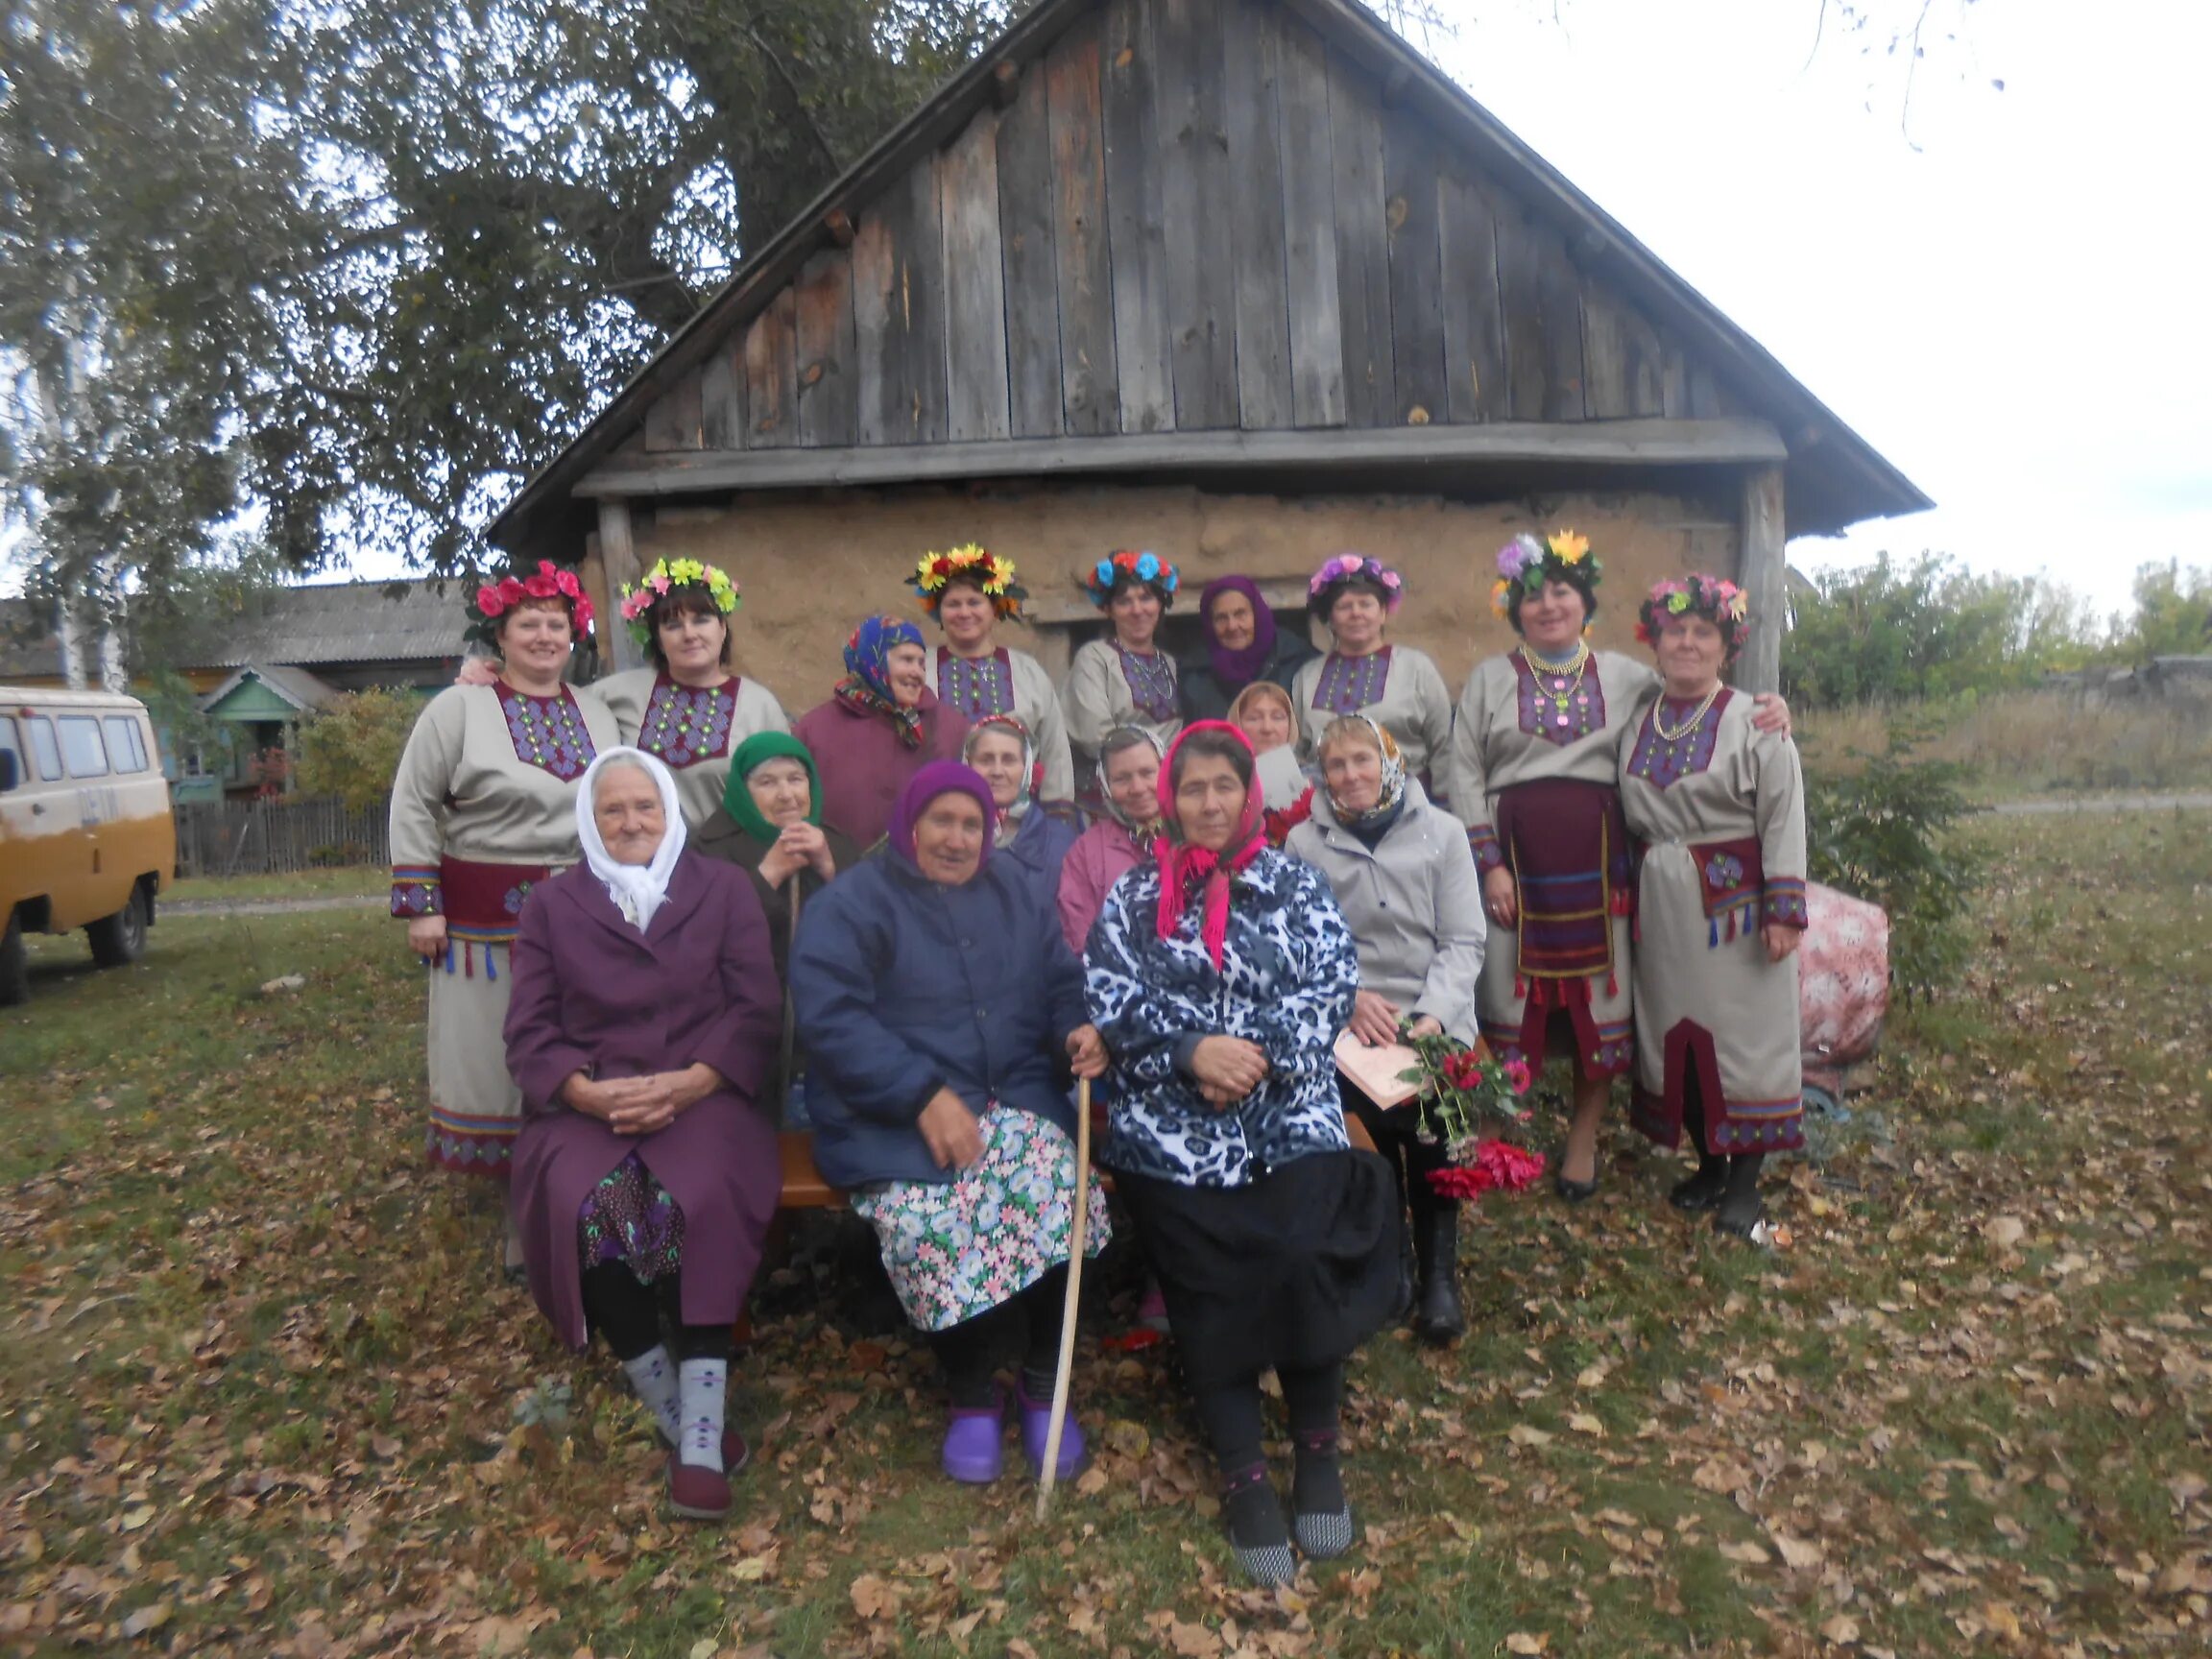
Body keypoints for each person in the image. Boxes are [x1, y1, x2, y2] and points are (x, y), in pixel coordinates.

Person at [1085, 721, 1398, 1586]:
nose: (1210, 803)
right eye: (1193, 789)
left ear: (1249, 793)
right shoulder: (1135, 897)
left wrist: (1247, 1055)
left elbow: (1329, 982)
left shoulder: (1295, 885)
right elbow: (1111, 995)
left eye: (1225, 785)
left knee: (1300, 1253)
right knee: (1207, 1279)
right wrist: (1191, 1054)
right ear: (1170, 802)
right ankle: (1244, 1473)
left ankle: (1317, 1451)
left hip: (1286, 1110)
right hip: (1171, 1123)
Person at [788, 762, 1112, 1485]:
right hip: (894, 1111)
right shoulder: (852, 904)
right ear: (909, 824)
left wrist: (1077, 1033)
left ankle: (1038, 1383)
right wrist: (921, 1093)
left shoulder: (1017, 895)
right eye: (943, 822)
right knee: (930, 1215)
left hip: (1016, 1095)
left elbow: (1062, 983)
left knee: (1062, 1193)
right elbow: (831, 1017)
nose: (960, 840)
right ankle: (970, 1392)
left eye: (974, 825)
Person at [1449, 531, 1791, 1202]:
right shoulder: (1490, 679)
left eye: (1563, 592)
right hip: (1515, 865)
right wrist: (1487, 863)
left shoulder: (1627, 677)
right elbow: (1463, 770)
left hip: (1603, 865)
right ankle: (1496, 1130)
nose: (1549, 606)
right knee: (1506, 998)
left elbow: (1698, 700)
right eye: (1534, 595)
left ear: (1586, 604)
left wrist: (1770, 707)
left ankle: (1582, 1140)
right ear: (1514, 608)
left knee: (1599, 1004)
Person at [503, 749, 781, 1520]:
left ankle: (697, 1439)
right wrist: (587, 1094)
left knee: (701, 1202)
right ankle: (674, 1406)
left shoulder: (723, 889)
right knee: (588, 1206)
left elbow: (755, 1009)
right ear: (589, 821)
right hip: (590, 1105)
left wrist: (695, 1080)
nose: (631, 822)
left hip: (707, 1096)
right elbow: (528, 1032)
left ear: (670, 813)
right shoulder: (551, 907)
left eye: (645, 807)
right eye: (613, 810)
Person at [389, 560, 619, 1273]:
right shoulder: (457, 709)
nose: (545, 636)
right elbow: (415, 800)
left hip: (583, 909)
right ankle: (523, 1208)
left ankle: (588, 1192)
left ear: (574, 636)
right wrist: (420, 904)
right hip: (485, 921)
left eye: (558, 624)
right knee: (496, 1051)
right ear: (502, 633)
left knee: (582, 1043)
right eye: (530, 624)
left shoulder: (598, 709)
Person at [1285, 715, 1485, 1344]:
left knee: (1432, 1135)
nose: (1350, 777)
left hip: (1430, 1012)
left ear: (1390, 761)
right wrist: (1347, 998)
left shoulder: (1442, 834)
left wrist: (1430, 1019)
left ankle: (1438, 1279)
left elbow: (1462, 940)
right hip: (1347, 1016)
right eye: (1336, 766)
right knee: (1360, 1142)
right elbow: (1300, 948)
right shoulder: (1303, 844)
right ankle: (1388, 1266)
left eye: (1362, 761)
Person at [1619, 575, 1808, 1238]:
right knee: (1679, 1036)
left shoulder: (1755, 720)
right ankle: (1708, 1166)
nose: (1689, 644)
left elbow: (1783, 812)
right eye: (1677, 632)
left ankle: (1746, 1187)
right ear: (1656, 640)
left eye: (1704, 633)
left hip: (1737, 909)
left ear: (1726, 646)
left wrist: (1785, 906)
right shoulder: (1638, 717)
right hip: (1662, 906)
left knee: (1745, 1038)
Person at [690, 732, 861, 1119]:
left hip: (825, 1045)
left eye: (796, 779)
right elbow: (704, 939)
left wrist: (830, 868)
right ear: (741, 789)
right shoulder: (710, 849)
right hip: (739, 1045)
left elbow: (874, 930)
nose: (786, 794)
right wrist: (768, 874)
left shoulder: (838, 844)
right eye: (767, 782)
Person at [594, 558, 789, 827]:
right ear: (658, 640)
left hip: (727, 862)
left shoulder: (759, 705)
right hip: (642, 859)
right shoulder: (617, 693)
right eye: (673, 625)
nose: (689, 634)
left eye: (701, 620)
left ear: (722, 629)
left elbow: (782, 798)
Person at [912, 545, 1075, 810]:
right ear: (939, 612)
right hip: (939, 810)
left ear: (995, 608)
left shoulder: (1027, 671)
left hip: (1021, 819)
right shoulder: (921, 668)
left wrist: (1059, 809)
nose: (964, 613)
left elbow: (1054, 745)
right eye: (953, 604)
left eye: (974, 602)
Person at [792, 613, 969, 849]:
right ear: (871, 661)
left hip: (924, 875)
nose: (917, 672)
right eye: (906, 660)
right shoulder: (814, 729)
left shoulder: (950, 726)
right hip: (836, 876)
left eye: (921, 663)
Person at [1287, 556, 1453, 801]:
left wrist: (1442, 805)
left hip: (1410, 804)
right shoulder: (1308, 677)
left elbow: (1444, 745)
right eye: (1344, 607)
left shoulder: (1415, 667)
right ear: (1330, 619)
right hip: (1328, 809)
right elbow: (1298, 751)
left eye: (1365, 604)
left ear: (1383, 612)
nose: (1356, 613)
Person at [1062, 550, 1184, 788]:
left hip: (1172, 783)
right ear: (1109, 610)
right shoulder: (1095, 657)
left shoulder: (1170, 662)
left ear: (1160, 604)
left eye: (1146, 598)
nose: (1137, 610)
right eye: (1124, 601)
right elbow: (1094, 734)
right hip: (1120, 783)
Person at [1056, 727, 1163, 956]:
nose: (1138, 788)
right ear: (1105, 785)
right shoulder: (1086, 852)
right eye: (1122, 779)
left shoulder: (1196, 831)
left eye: (1147, 773)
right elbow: (1080, 936)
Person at [963, 714, 1080, 919]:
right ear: (968, 766)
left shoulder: (1062, 842)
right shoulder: (949, 837)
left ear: (1027, 770)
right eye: (985, 760)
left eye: (1009, 760)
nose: (997, 771)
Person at [1178, 575, 1318, 723]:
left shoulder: (1298, 663)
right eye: (1221, 618)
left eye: (1240, 614)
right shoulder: (1193, 674)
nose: (1232, 626)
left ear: (1257, 614)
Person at [1227, 681, 1312, 815]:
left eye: (1278, 718)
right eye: (1254, 718)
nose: (1267, 728)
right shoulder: (1220, 779)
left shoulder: (1315, 781)